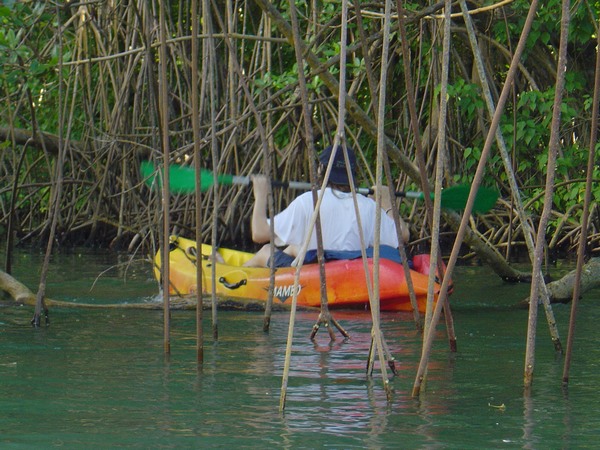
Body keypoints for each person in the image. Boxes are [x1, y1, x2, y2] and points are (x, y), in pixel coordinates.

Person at [242, 144, 410, 267]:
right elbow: (402, 236)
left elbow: (258, 233)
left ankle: (235, 278)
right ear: (353, 174)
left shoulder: (308, 201)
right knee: (294, 247)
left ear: (321, 170)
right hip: (350, 270)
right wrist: (386, 201)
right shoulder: (368, 206)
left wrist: (261, 195)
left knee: (265, 250)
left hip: (314, 274)